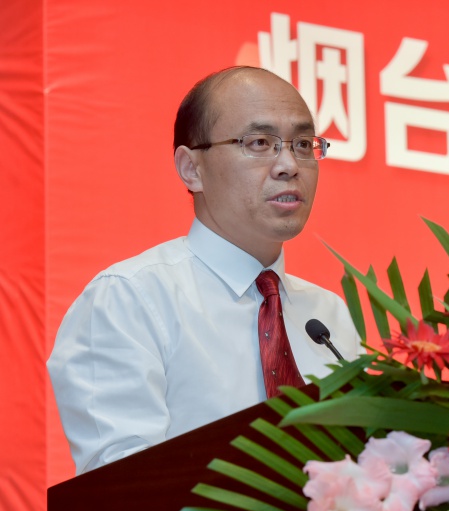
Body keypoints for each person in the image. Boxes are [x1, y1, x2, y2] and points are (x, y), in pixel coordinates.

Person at [47, 66, 362, 475]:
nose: (289, 164)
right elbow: (122, 486)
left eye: (303, 144)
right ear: (192, 169)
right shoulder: (129, 300)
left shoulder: (328, 315)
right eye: (259, 143)